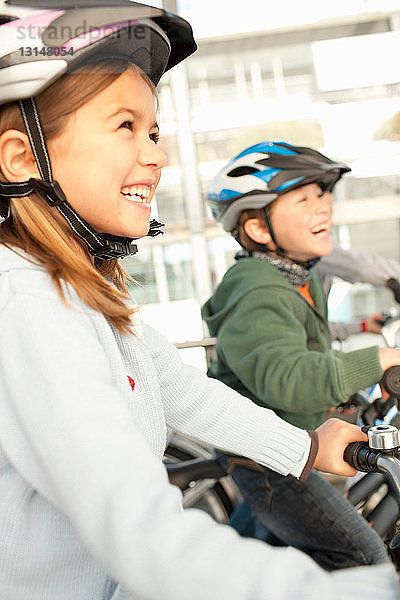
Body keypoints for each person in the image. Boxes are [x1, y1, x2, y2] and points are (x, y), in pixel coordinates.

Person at [1, 5, 396, 600]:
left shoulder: (80, 294)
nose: (156, 155)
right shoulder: (25, 302)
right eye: (125, 126)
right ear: (24, 158)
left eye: (154, 130)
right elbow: (145, 538)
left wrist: (306, 446)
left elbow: (185, 391)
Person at [201, 140, 400, 570]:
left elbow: (307, 350)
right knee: (362, 556)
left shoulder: (296, 278)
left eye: (325, 195)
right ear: (257, 228)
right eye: (306, 199)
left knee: (246, 560)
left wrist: (349, 399)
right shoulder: (255, 288)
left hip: (290, 444)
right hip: (270, 458)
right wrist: (378, 359)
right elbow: (289, 378)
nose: (324, 207)